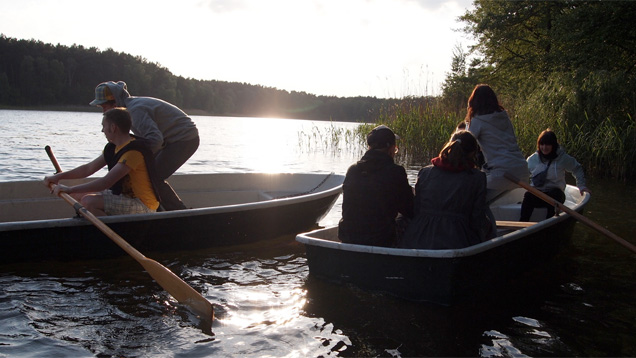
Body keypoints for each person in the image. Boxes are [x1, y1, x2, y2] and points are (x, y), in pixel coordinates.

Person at [89, 81, 199, 211]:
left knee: (154, 176)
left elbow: (156, 140)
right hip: (168, 139)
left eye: (104, 107)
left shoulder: (134, 111)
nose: (103, 112)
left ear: (115, 103)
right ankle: (158, 210)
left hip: (184, 138)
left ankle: (179, 213)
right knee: (147, 174)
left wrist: (137, 160)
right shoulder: (127, 111)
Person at [44, 108, 160, 216]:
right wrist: (59, 177)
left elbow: (105, 182)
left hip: (143, 205)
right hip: (124, 197)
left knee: (88, 201)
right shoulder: (113, 147)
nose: (102, 130)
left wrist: (69, 189)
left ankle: (114, 232)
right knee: (76, 195)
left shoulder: (133, 153)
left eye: (103, 126)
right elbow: (88, 169)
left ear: (113, 127)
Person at [398, 130, 494, 249]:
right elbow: (476, 219)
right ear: (473, 153)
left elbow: (417, 209)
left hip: (417, 237)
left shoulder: (425, 172)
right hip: (457, 239)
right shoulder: (477, 177)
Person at [338, 125, 414, 247]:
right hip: (381, 240)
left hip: (348, 236)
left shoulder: (353, 170)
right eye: (395, 149)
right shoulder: (396, 172)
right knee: (408, 220)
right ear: (390, 148)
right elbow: (410, 210)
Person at [465, 84, 528, 203]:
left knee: (472, 201)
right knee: (482, 200)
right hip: (522, 171)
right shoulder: (504, 117)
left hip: (502, 174)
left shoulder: (477, 121)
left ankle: (485, 222)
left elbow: (465, 142)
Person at [520, 129, 591, 221]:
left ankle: (549, 223)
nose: (544, 147)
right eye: (542, 144)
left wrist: (581, 185)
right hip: (539, 193)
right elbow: (523, 173)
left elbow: (577, 168)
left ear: (553, 145)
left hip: (556, 195)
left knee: (555, 195)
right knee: (528, 196)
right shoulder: (533, 159)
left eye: (548, 144)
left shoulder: (562, 158)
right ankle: (522, 223)